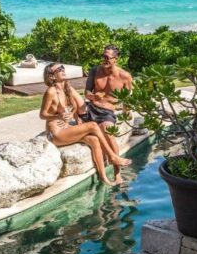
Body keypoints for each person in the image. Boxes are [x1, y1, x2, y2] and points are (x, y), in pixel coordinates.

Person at [40, 62, 131, 185]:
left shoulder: (66, 88)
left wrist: (73, 115)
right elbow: (42, 114)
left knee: (94, 140)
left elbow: (76, 106)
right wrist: (58, 116)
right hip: (55, 134)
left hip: (66, 130)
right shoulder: (51, 91)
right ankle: (112, 157)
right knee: (93, 125)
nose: (63, 69)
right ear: (52, 76)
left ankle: (105, 179)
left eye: (63, 67)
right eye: (59, 69)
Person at [83, 44, 133, 184]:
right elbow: (86, 93)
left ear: (116, 59)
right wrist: (93, 97)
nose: (104, 60)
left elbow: (127, 98)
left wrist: (126, 112)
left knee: (107, 132)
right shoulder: (94, 71)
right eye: (102, 56)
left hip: (107, 111)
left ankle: (117, 173)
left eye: (107, 57)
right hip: (91, 107)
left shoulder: (125, 76)